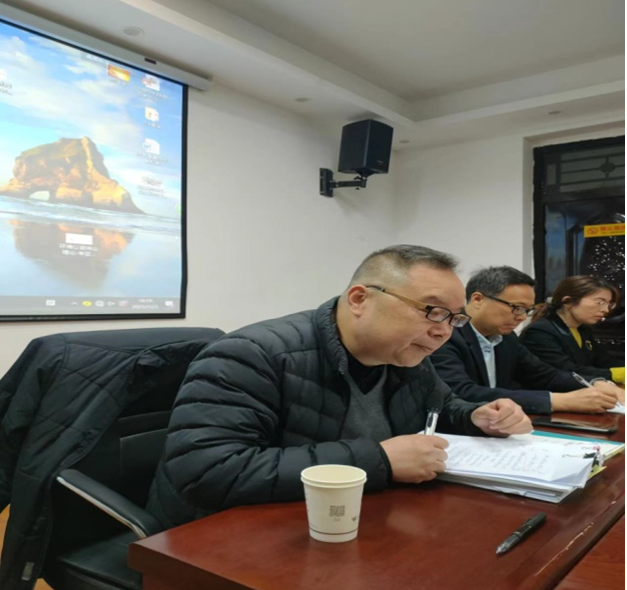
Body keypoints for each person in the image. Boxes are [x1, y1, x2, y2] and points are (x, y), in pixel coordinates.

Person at [148, 245, 530, 528]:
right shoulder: (250, 355)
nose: (443, 331)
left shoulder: (406, 355)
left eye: (453, 318)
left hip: (349, 519)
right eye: (432, 311)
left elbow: (439, 407)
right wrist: (379, 461)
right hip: (222, 537)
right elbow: (207, 472)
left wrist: (477, 416)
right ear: (360, 299)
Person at [430, 266, 621, 416]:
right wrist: (557, 401)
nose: (522, 317)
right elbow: (461, 392)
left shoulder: (506, 338)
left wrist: (595, 382)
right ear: (478, 299)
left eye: (527, 310)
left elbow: (545, 375)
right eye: (517, 307)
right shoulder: (446, 334)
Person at [519, 276, 624, 384]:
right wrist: (617, 374)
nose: (605, 310)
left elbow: (603, 360)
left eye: (609, 304)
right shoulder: (540, 331)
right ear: (568, 301)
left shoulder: (583, 329)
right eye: (599, 302)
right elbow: (566, 371)